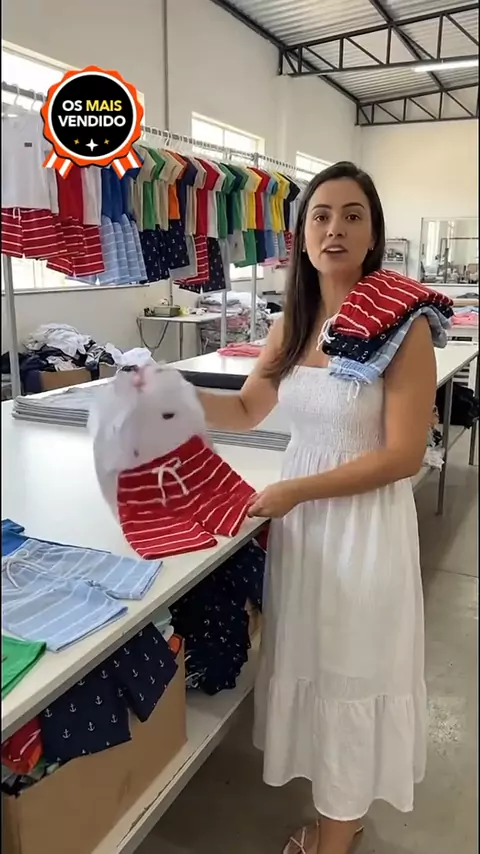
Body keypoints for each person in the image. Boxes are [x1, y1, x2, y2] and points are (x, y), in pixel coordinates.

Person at [197, 162, 436, 854]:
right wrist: (169, 395)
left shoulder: (403, 326)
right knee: (315, 664)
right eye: (321, 215)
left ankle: (334, 841)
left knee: (350, 673)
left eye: (352, 216)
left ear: (373, 235)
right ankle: (342, 815)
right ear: (301, 234)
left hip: (362, 529)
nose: (335, 228)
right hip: (306, 529)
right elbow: (247, 408)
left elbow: (404, 455)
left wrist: (295, 492)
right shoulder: (292, 325)